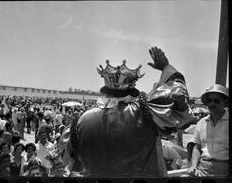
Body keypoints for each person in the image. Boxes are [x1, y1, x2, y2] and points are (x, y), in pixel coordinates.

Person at [60, 46, 195, 177]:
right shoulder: (144, 113)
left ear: (106, 91)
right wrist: (166, 68)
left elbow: (68, 166)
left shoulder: (81, 121)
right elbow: (178, 98)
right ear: (132, 91)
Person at [187, 84, 229, 176]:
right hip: (203, 169)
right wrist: (193, 166)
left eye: (216, 101)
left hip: (226, 171)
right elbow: (197, 147)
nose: (212, 104)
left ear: (225, 103)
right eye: (209, 101)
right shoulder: (201, 122)